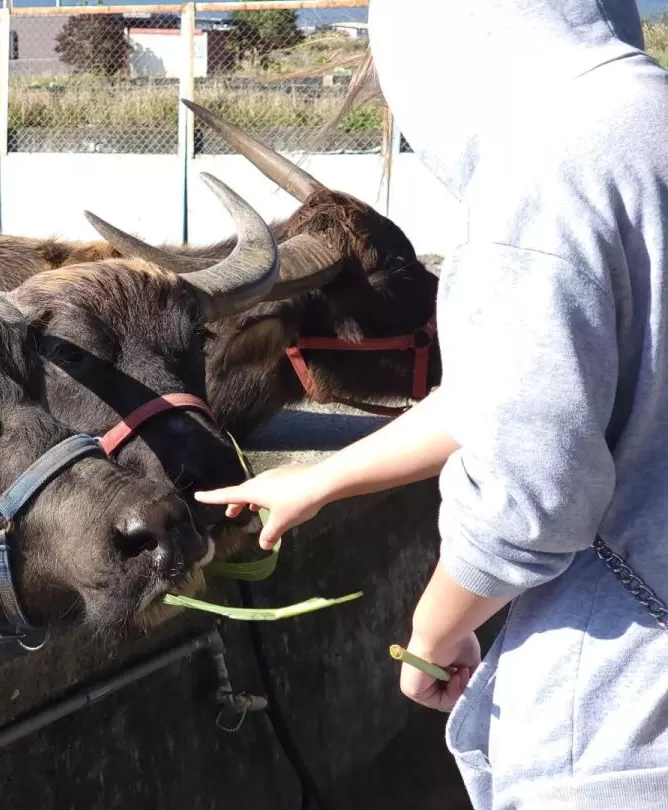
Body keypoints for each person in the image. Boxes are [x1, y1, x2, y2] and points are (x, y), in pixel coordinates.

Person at [194, 1, 668, 807]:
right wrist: (321, 478)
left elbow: (532, 492)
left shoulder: (545, 173)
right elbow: (528, 383)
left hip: (622, 707)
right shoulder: (645, 119)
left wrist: (435, 631)